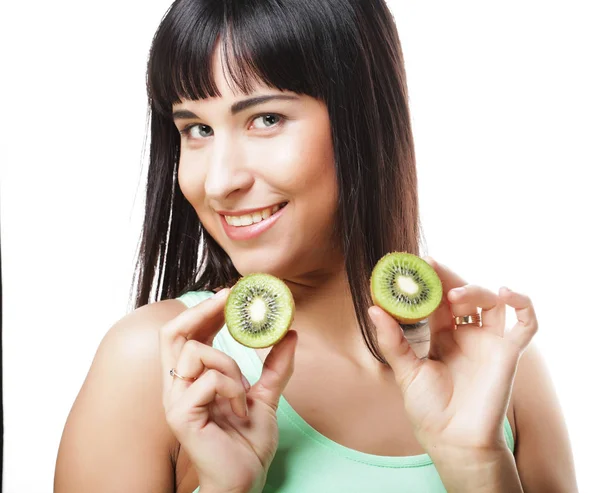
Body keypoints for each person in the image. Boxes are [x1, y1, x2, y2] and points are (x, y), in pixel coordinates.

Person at [54, 0, 578, 492]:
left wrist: (478, 464)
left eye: (266, 119)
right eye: (196, 129)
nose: (218, 182)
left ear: (363, 118)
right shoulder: (156, 365)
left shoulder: (498, 368)